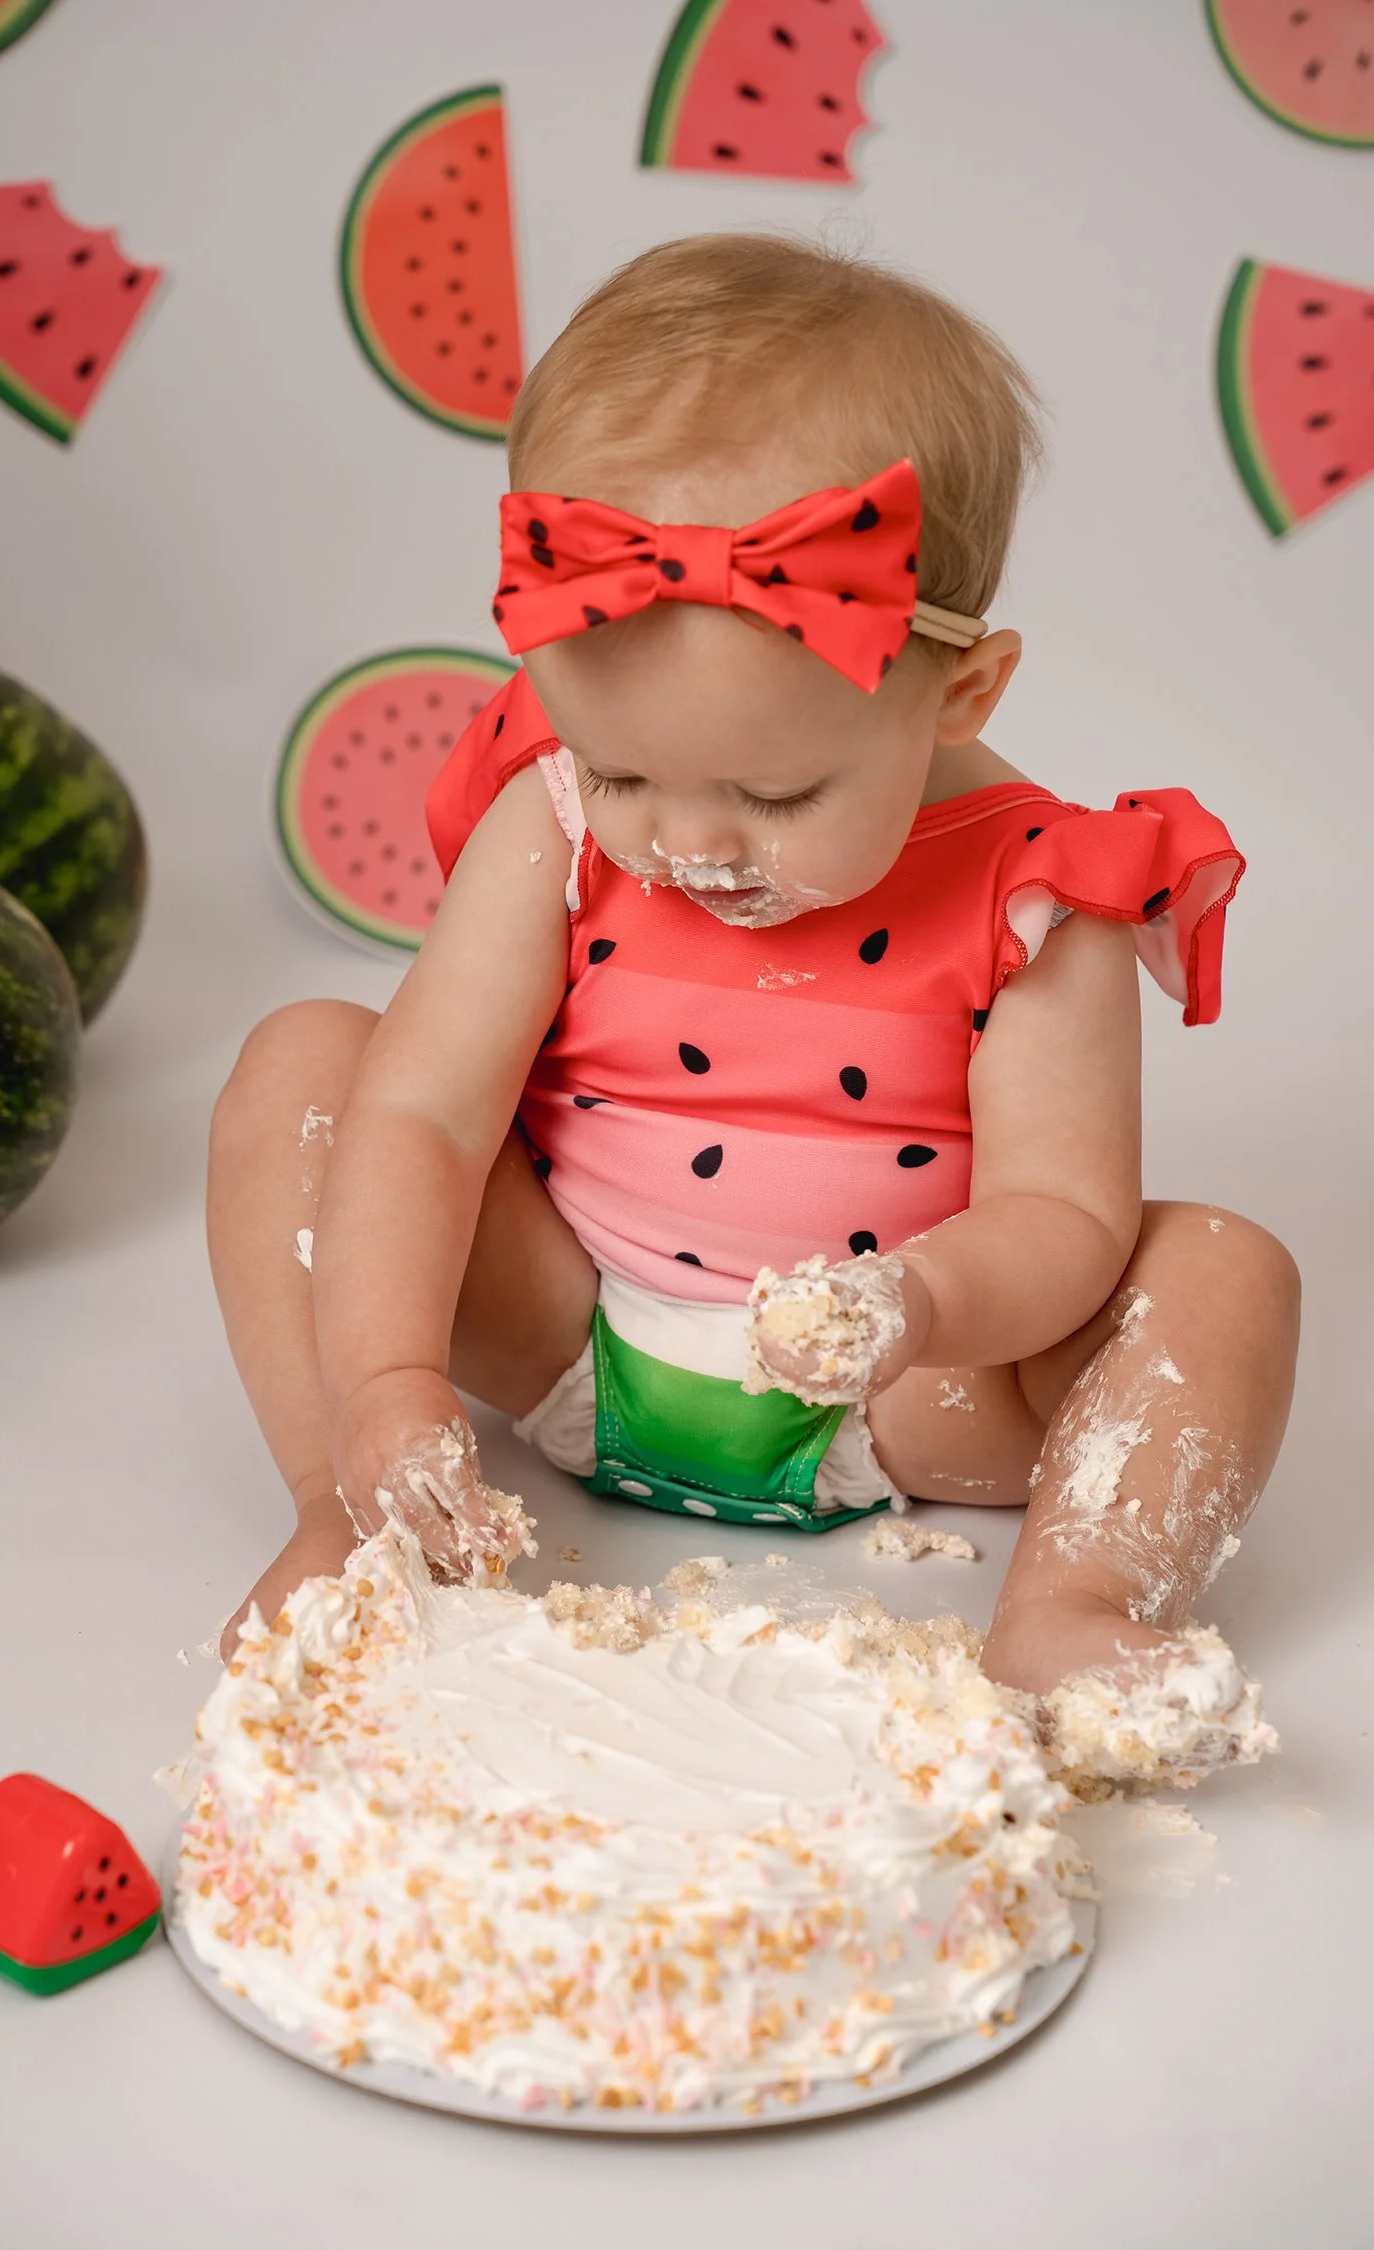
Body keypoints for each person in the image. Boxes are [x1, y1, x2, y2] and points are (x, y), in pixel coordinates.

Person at [209, 234, 1299, 1729]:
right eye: (627, 766)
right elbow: (424, 1117)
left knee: (1224, 1270)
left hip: (910, 1396)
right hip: (565, 1323)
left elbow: (1067, 1216)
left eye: (779, 795)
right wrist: (393, 1382)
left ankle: (1074, 1604)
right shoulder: (557, 819)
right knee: (309, 1062)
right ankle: (342, 1516)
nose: (689, 844)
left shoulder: (1043, 895)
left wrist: (912, 1301)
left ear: (963, 690)